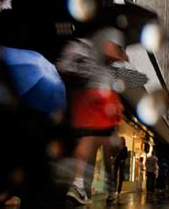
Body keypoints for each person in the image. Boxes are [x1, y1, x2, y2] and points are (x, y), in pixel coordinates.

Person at [57, 27, 128, 205]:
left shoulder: (82, 46)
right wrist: (120, 55)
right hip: (97, 97)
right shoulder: (101, 40)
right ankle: (87, 186)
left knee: (92, 143)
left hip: (91, 97)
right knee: (98, 145)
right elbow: (109, 52)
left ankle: (80, 185)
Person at [111, 137, 128, 202]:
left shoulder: (125, 147)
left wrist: (123, 159)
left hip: (121, 163)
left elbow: (126, 155)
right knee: (115, 175)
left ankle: (119, 190)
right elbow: (114, 153)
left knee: (121, 176)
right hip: (117, 162)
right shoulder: (117, 147)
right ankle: (115, 188)